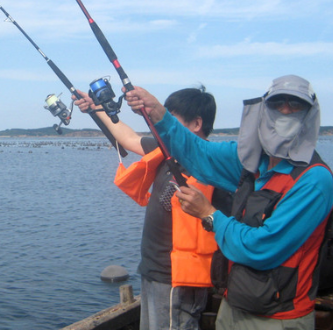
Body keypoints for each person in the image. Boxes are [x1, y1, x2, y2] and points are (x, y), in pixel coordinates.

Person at [124, 75, 333, 330]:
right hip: (233, 304)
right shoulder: (249, 161)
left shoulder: (314, 180)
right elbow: (198, 152)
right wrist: (157, 111)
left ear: (310, 115)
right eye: (278, 103)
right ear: (263, 109)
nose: (285, 111)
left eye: (296, 105)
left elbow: (262, 248)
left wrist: (209, 214)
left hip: (280, 318)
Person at [74, 86, 231, 330]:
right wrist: (95, 108)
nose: (159, 122)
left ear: (196, 123)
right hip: (153, 271)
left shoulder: (215, 168)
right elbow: (127, 137)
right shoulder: (165, 149)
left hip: (179, 279)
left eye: (170, 117)